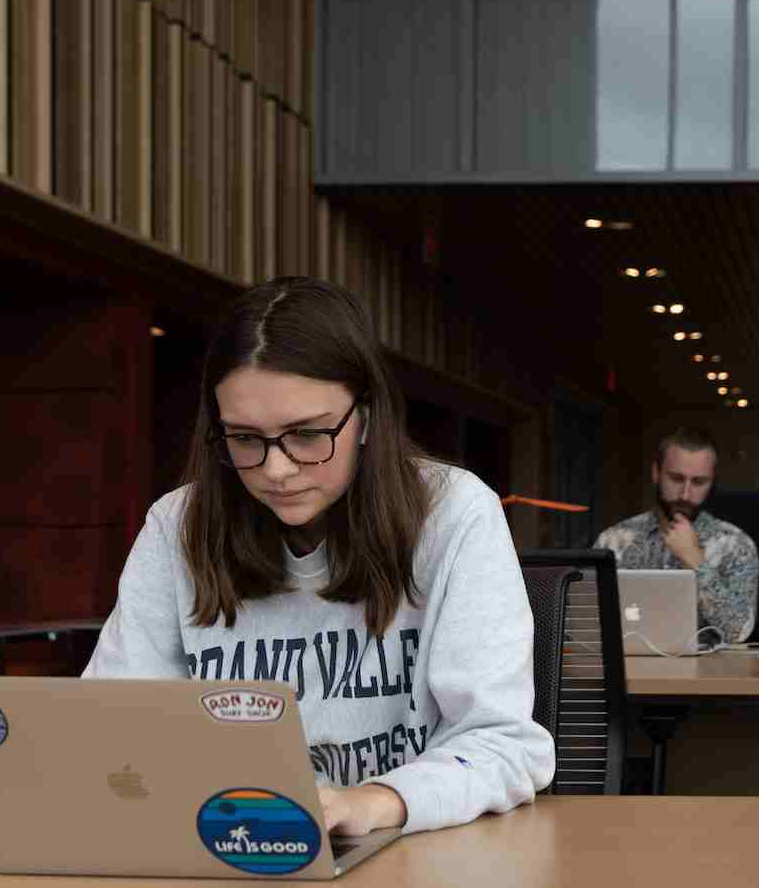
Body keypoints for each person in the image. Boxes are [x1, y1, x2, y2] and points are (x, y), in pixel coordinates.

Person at [83, 277, 555, 836]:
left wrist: (374, 802)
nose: (276, 469)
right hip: (227, 842)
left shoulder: (454, 514)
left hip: (410, 851)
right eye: (244, 438)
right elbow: (109, 725)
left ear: (367, 416)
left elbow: (502, 744)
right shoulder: (177, 526)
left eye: (307, 435)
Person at [594, 428, 759, 644]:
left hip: (707, 675)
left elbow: (738, 632)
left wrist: (695, 561)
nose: (685, 495)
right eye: (676, 478)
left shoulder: (736, 545)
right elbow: (586, 621)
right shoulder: (613, 541)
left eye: (699, 482)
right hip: (629, 671)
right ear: (656, 473)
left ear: (712, 483)